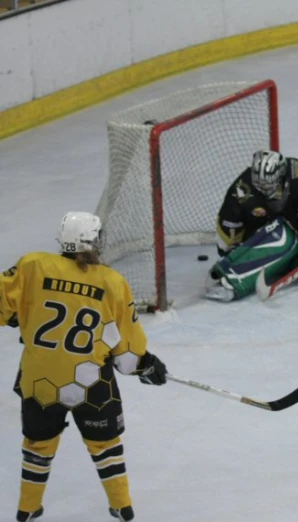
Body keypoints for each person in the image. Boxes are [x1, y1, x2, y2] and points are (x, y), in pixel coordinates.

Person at [0, 211, 168, 522]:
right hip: (91, 385)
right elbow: (127, 356)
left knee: (38, 446)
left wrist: (15, 316)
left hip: (38, 382)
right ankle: (122, 507)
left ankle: (26, 509)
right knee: (105, 445)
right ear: (94, 242)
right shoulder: (111, 282)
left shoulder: (32, 265)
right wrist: (146, 365)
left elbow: (3, 304)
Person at [207, 150, 298, 301]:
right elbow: (227, 233)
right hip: (261, 236)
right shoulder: (241, 190)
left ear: (281, 175)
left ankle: (286, 260)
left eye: (269, 184)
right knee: (282, 237)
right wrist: (232, 258)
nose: (264, 189)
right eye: (259, 184)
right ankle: (231, 281)